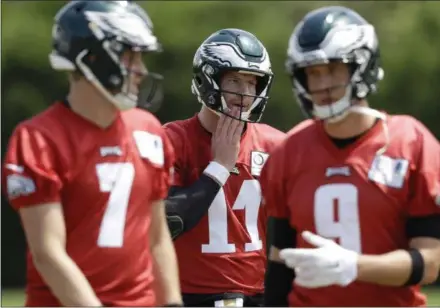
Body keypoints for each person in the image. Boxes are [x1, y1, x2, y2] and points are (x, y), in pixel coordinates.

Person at [2, 1, 182, 307]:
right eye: (130, 55)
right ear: (94, 57)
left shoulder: (149, 130)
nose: (141, 70)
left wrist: (173, 303)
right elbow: (48, 253)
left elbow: (157, 236)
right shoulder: (39, 138)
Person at [262, 5, 440, 307]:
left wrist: (353, 266)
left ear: (361, 66)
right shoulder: (288, 150)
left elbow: (431, 262)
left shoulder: (410, 141)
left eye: (332, 69)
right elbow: (280, 263)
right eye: (312, 73)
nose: (321, 85)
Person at [163, 28, 285, 307]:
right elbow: (162, 224)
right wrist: (218, 168)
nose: (245, 94)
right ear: (207, 78)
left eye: (253, 83)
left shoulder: (276, 145)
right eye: (234, 80)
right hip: (187, 298)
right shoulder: (172, 140)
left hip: (258, 297)